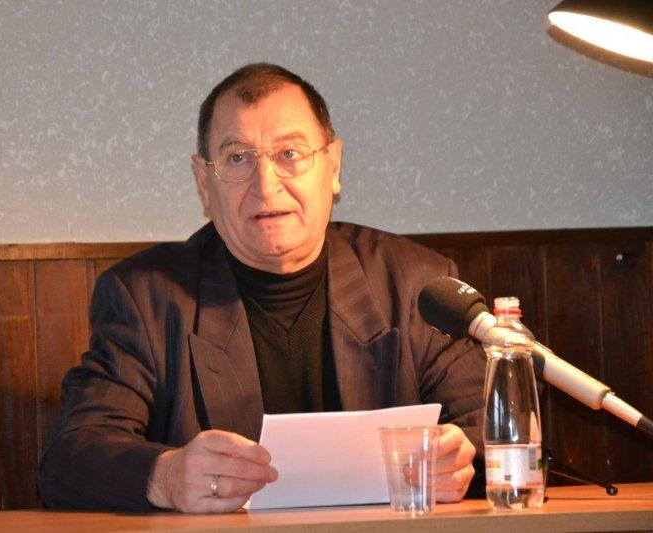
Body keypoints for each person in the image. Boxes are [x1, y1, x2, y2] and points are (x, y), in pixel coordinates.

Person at [38, 63, 485, 513]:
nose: (266, 186)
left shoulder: (416, 285)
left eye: (289, 153)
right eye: (238, 158)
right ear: (204, 183)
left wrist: (460, 459)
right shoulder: (148, 299)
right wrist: (166, 477)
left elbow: (492, 430)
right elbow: (71, 456)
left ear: (333, 166)